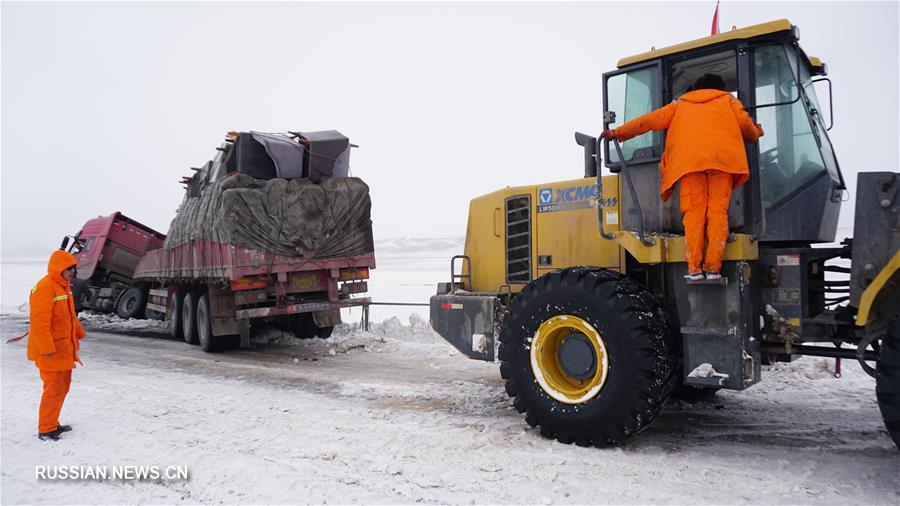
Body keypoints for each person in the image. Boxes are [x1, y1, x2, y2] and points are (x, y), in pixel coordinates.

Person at [601, 73, 764, 281]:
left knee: (694, 215)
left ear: (695, 88)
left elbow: (648, 121)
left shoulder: (680, 105)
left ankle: (695, 269)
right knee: (717, 213)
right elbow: (747, 129)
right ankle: (713, 269)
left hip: (689, 164)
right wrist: (758, 131)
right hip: (723, 162)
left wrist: (618, 133)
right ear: (720, 88)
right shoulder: (729, 101)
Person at [27, 249, 86, 441]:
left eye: (73, 268)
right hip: (51, 352)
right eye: (68, 268)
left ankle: (53, 423)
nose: (72, 272)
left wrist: (79, 333)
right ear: (57, 267)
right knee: (52, 389)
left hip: (63, 350)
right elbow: (39, 323)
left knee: (62, 388)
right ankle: (46, 429)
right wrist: (46, 349)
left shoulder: (63, 287)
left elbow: (69, 317)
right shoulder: (45, 288)